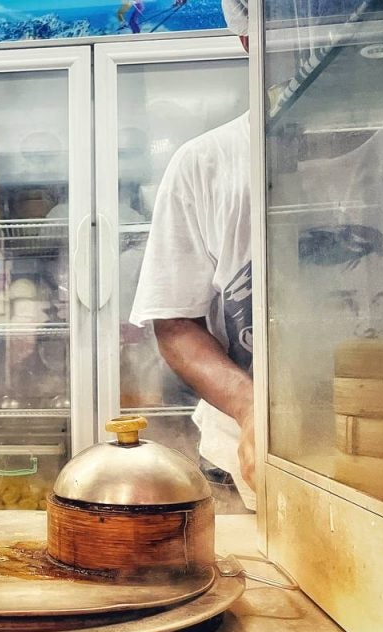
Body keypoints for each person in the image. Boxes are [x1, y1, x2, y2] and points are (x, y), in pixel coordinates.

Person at [128, 0, 256, 509]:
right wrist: (250, 409)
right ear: (250, 36)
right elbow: (175, 322)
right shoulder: (205, 163)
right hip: (239, 457)